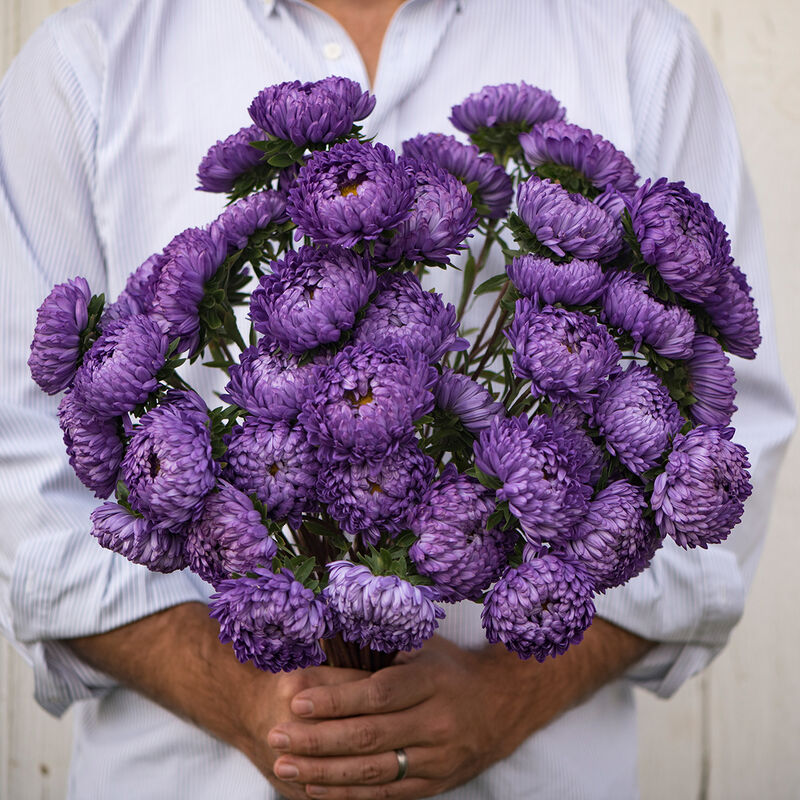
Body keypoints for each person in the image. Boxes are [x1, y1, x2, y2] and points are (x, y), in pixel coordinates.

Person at [0, 0, 793, 798]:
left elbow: (735, 442)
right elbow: (23, 474)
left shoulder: (637, 45)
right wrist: (247, 696)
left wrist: (512, 693)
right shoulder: (88, 60)